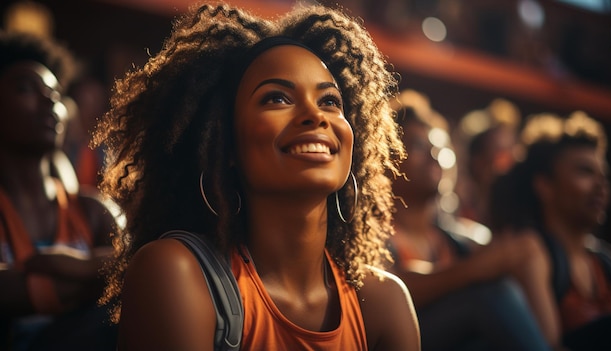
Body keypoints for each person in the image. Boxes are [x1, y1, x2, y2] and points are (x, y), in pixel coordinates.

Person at [93, 2, 420, 350]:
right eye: (277, 98)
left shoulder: (384, 303)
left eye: (329, 101)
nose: (315, 115)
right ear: (225, 143)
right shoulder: (176, 272)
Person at [387, 90, 560, 350]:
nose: (435, 154)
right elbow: (386, 293)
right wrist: (474, 269)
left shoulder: (459, 238)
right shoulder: (376, 234)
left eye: (440, 146)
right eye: (420, 145)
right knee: (493, 295)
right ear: (389, 161)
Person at [0, 30, 117, 350]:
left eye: (54, 91)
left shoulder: (92, 210)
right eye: (26, 88)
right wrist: (101, 274)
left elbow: (141, 265)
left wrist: (79, 266)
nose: (50, 99)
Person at [490, 111, 611, 350]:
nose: (601, 185)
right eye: (585, 171)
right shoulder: (533, 254)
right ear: (545, 186)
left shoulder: (609, 262)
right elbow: (547, 347)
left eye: (603, 175)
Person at [453, 98, 522, 227]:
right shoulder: (456, 209)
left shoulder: (521, 216)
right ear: (478, 162)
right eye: (501, 156)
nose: (509, 164)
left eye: (514, 155)